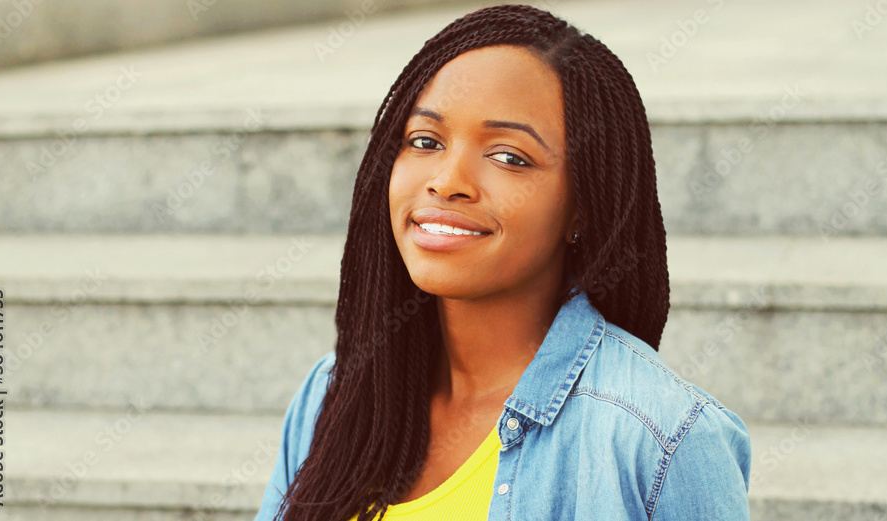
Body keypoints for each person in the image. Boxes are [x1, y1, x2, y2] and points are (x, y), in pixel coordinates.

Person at [255, 4, 751, 520]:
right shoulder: (332, 394)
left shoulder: (659, 435)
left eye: (509, 156)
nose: (447, 180)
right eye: (425, 141)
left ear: (583, 204)